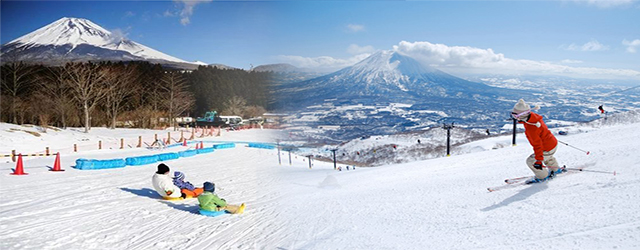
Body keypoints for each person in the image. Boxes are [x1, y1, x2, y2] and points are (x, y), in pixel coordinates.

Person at [511, 99, 562, 182]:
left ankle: (542, 177)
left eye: (516, 115)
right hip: (552, 143)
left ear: (523, 114)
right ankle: (556, 170)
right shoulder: (533, 118)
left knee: (531, 161)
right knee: (548, 157)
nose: (515, 118)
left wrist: (538, 160)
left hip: (546, 147)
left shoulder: (532, 127)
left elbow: (537, 145)